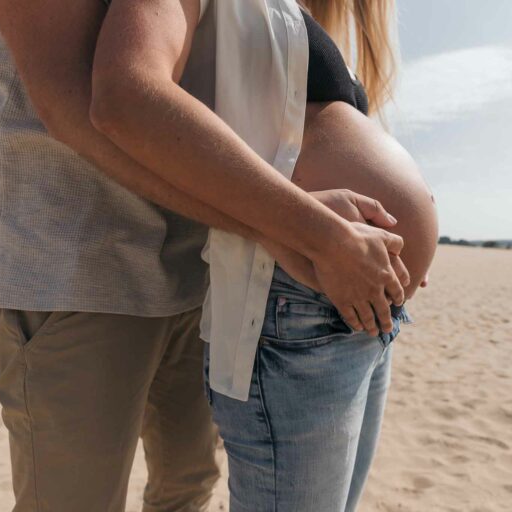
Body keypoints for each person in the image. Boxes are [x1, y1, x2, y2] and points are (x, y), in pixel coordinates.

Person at [0, 0, 410, 510]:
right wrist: (295, 227)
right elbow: (76, 102)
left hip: (195, 266)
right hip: (78, 270)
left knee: (188, 485)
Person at [95, 0, 438, 510]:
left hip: (362, 303)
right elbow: (126, 94)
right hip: (298, 294)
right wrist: (320, 233)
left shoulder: (294, 17)